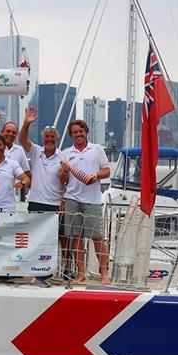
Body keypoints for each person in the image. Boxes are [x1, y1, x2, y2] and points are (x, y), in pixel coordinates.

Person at [18, 106, 67, 285]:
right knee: (35, 238)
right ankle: (36, 270)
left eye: (52, 137)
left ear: (57, 139)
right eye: (46, 136)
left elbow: (65, 182)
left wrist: (64, 178)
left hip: (54, 205)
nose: (49, 140)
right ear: (43, 138)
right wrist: (27, 123)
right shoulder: (36, 151)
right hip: (36, 202)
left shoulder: (63, 157)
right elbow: (22, 139)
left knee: (55, 240)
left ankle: (52, 271)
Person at [60, 119, 111, 284]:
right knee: (76, 238)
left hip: (92, 200)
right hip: (72, 199)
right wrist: (64, 171)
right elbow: (62, 179)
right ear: (71, 135)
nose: (78, 135)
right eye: (75, 132)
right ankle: (81, 273)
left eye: (81, 131)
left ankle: (104, 274)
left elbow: (107, 171)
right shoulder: (66, 153)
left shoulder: (97, 149)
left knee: (97, 238)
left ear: (86, 132)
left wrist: (95, 175)